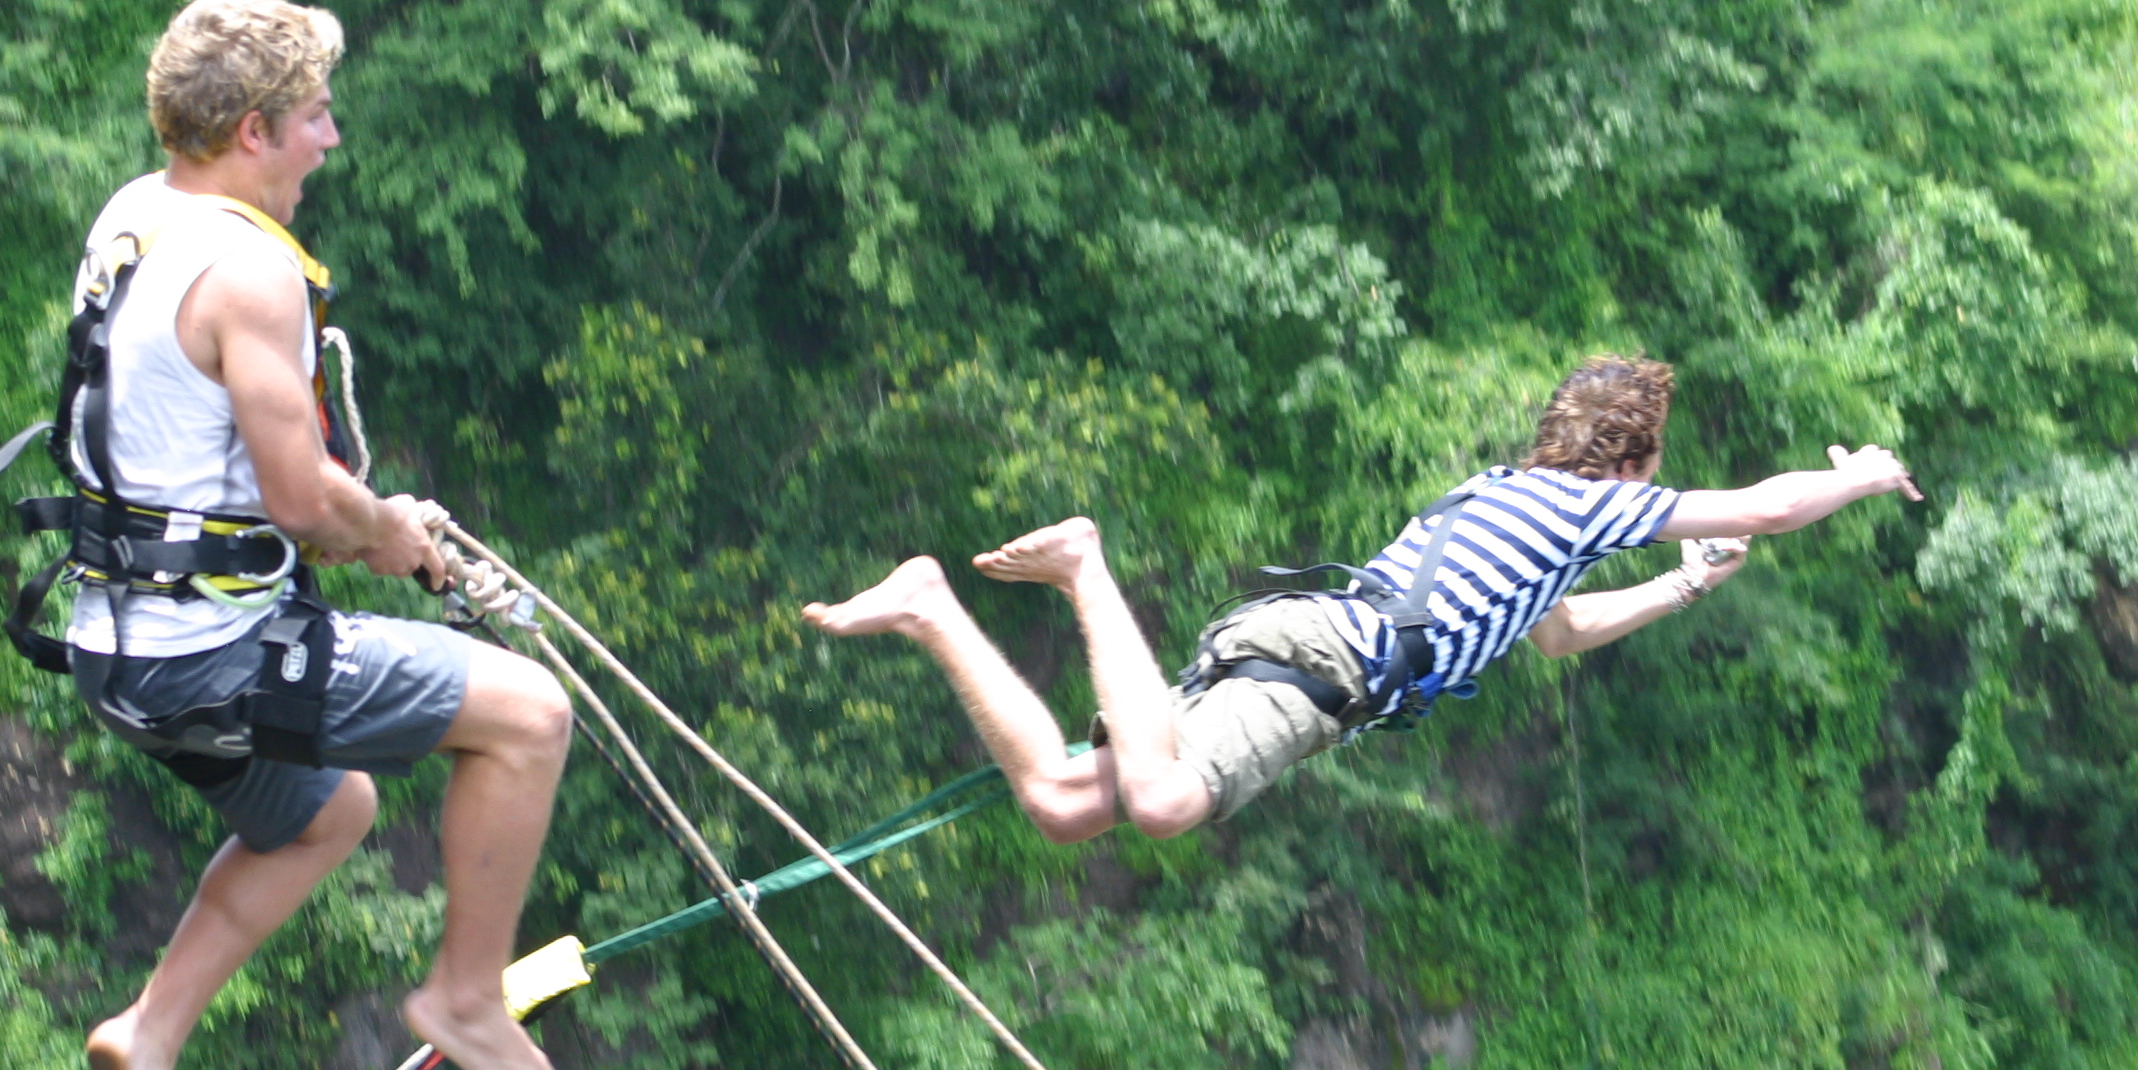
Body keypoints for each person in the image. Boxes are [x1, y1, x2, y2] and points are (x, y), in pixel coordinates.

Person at [65, 0, 573, 1070]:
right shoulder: (253, 274)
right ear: (251, 130)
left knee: (326, 810)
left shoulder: (138, 214)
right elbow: (301, 500)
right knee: (530, 717)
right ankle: (465, 989)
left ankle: (150, 1037)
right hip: (209, 655)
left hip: (108, 645)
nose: (330, 140)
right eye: (314, 118)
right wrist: (390, 530)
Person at [803, 355, 1921, 843]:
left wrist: (1681, 585)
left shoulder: (1512, 506)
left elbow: (1566, 630)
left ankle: (930, 608)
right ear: (1627, 466)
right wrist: (1861, 474)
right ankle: (1088, 565)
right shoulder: (1581, 508)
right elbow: (1767, 506)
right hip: (1328, 661)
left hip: (1310, 648)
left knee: (1057, 800)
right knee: (1161, 800)